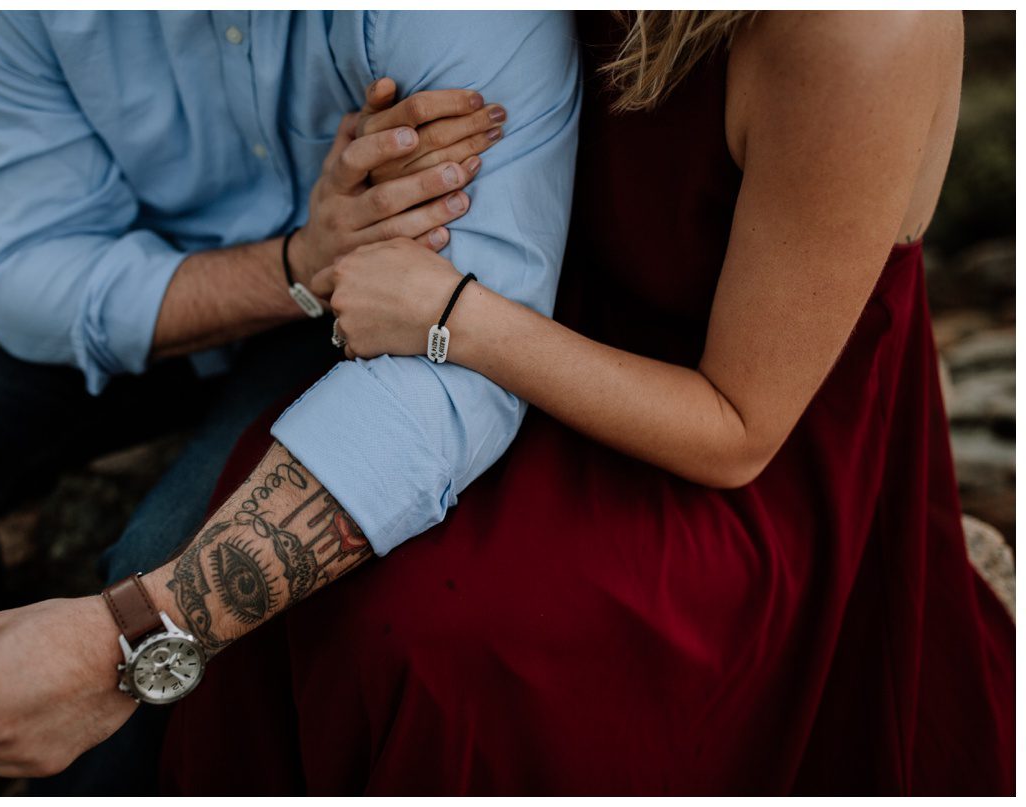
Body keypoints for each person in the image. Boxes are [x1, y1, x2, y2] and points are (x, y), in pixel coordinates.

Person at [157, 10, 1015, 795]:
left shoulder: (859, 33)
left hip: (745, 472)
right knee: (277, 526)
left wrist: (454, 314)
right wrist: (372, 179)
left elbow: (738, 433)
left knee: (440, 638)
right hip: (540, 347)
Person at [0, 10, 579, 795]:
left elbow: (463, 352)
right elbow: (28, 267)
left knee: (150, 571)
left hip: (379, 298)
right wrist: (296, 264)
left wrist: (129, 635)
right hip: (159, 271)